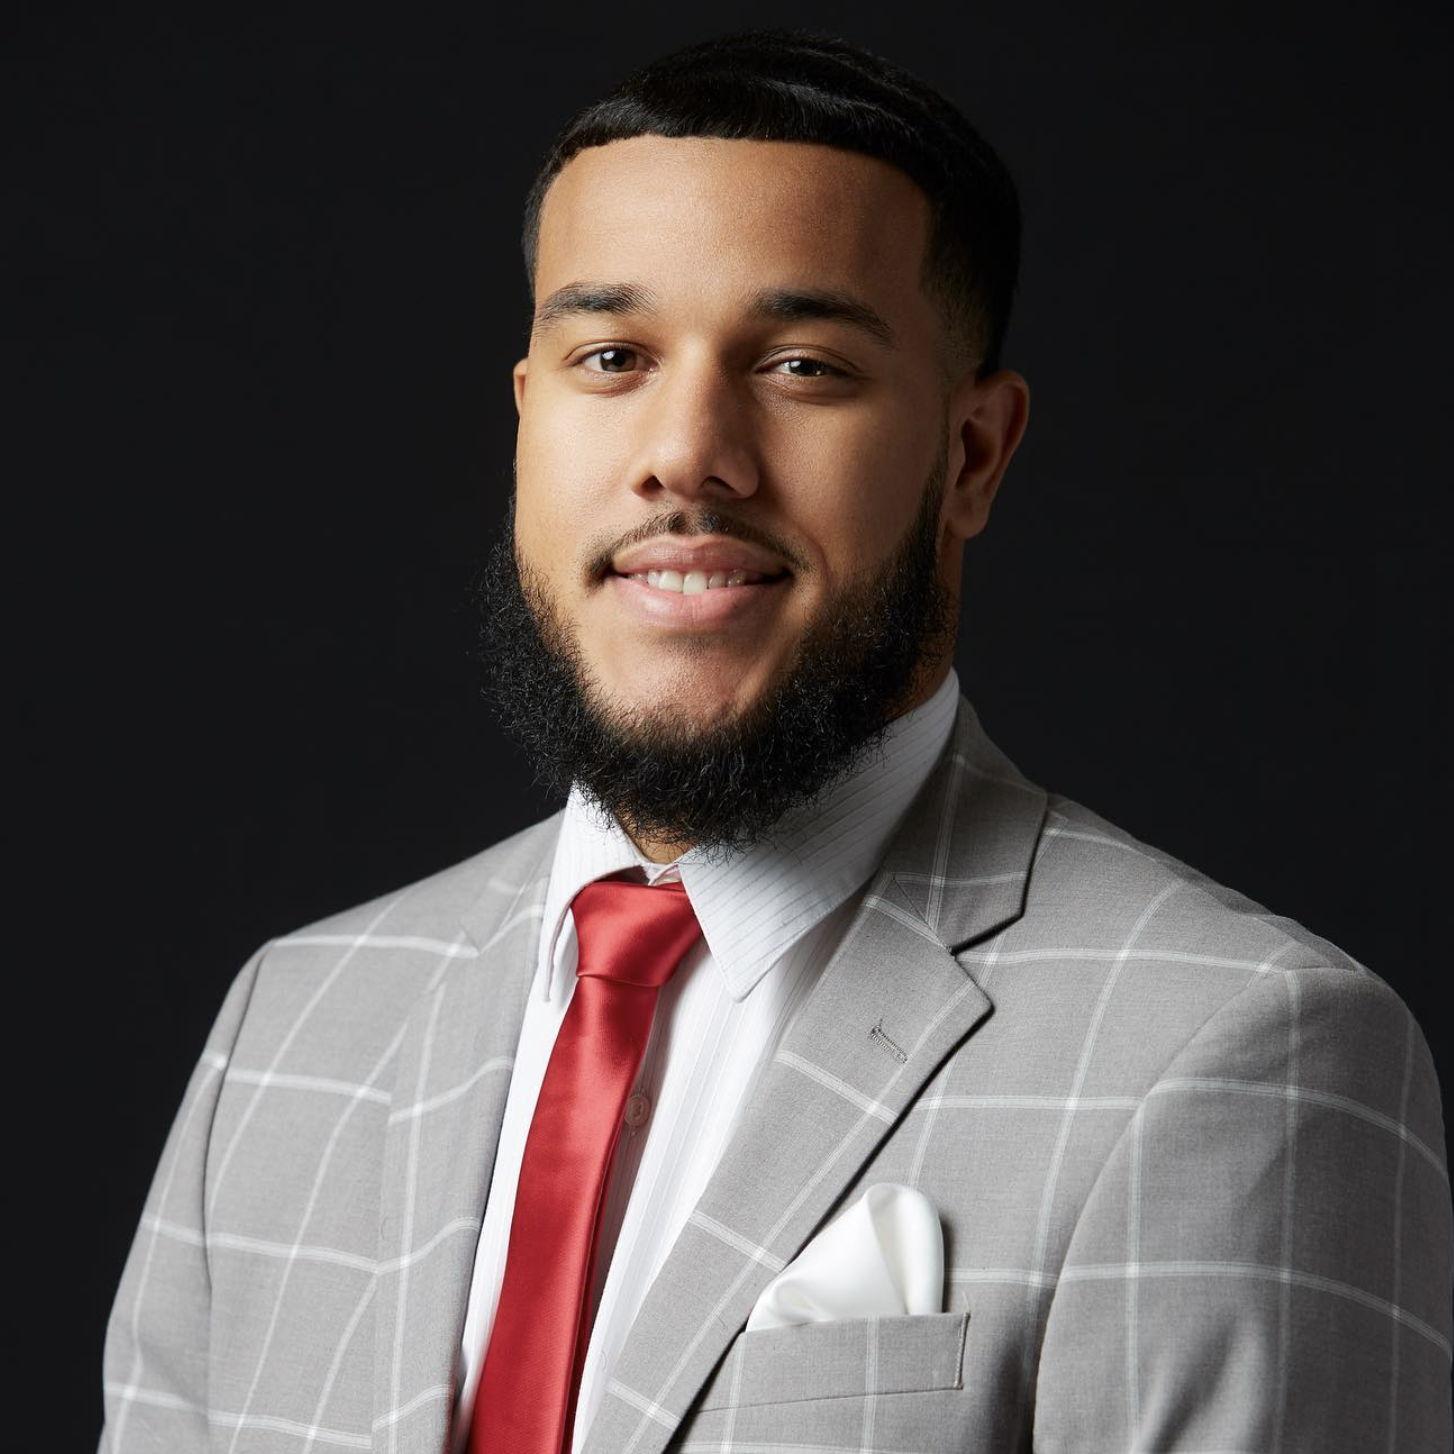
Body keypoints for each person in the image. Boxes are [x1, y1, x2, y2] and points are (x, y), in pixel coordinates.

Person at [98, 27, 1451, 1454]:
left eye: (803, 365)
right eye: (611, 356)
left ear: (971, 456)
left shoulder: (1238, 1049)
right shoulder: (293, 1026)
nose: (687, 451)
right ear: (528, 415)